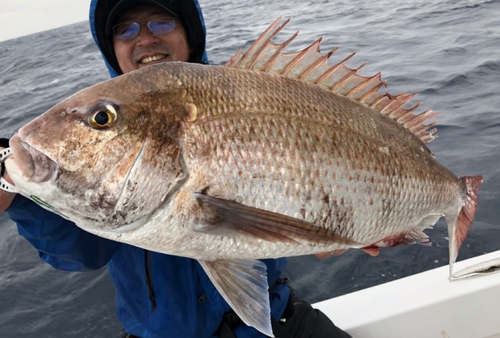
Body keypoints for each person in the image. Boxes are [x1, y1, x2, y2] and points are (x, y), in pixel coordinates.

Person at [0, 0, 352, 337]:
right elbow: (81, 254)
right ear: (112, 49)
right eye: (124, 29)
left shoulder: (255, 94)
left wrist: (343, 229)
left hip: (277, 318)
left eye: (161, 21)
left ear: (190, 32)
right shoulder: (102, 183)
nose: (145, 37)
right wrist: (18, 200)